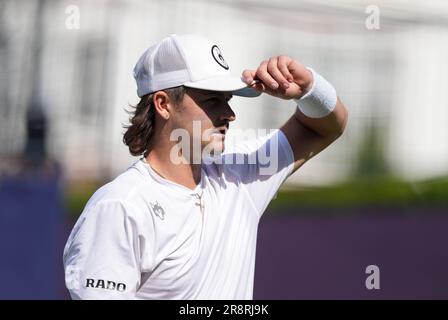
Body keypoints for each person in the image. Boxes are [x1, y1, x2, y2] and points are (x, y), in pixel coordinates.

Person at [63, 34, 348, 299]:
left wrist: (309, 88)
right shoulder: (119, 207)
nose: (230, 114)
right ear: (163, 104)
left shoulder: (240, 174)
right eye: (212, 100)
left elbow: (325, 127)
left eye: (227, 100)